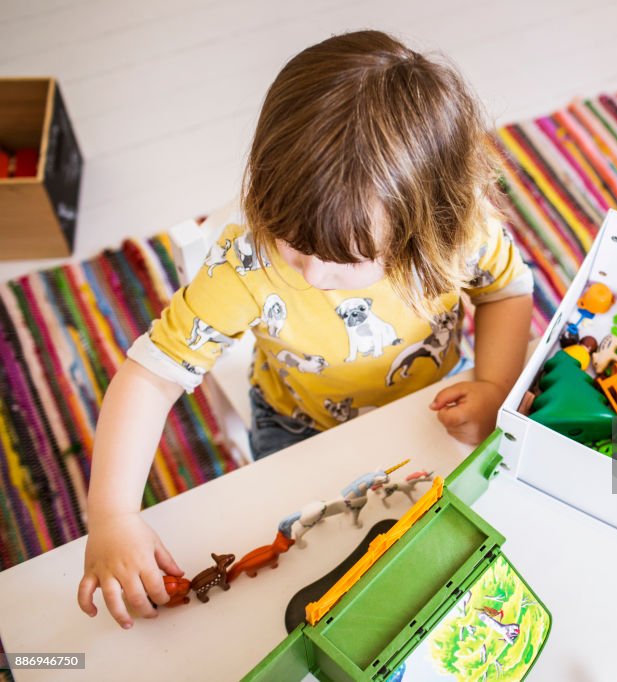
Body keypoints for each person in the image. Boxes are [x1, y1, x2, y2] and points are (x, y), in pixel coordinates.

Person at [77, 30, 533, 629]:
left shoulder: (461, 228)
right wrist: (110, 514)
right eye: (293, 242)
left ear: (428, 220)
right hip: (299, 426)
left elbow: (506, 289)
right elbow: (149, 377)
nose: (314, 273)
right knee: (302, 573)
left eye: (348, 257)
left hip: (433, 403)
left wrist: (496, 385)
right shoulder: (247, 266)